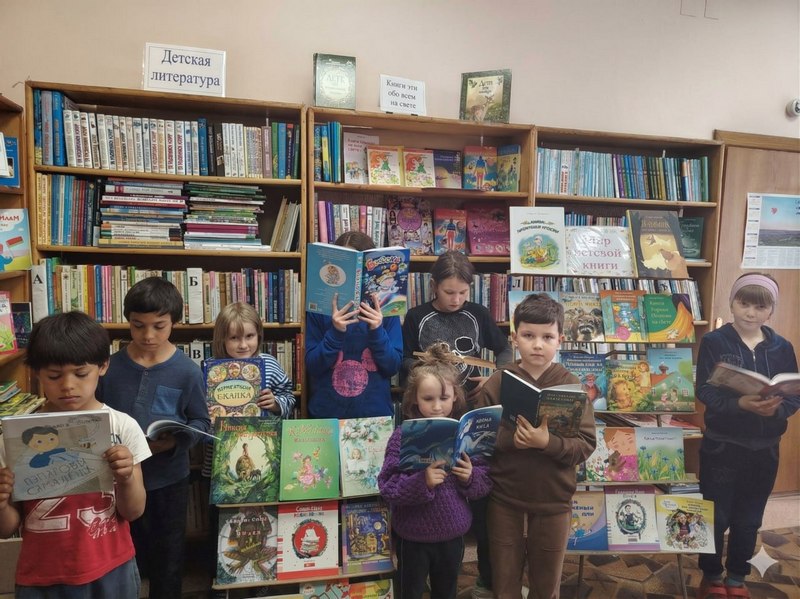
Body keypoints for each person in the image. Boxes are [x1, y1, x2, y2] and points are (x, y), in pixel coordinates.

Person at [0, 311, 150, 597]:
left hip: (111, 567)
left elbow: (134, 511)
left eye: (81, 374)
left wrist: (127, 478)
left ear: (103, 365)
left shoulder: (122, 426)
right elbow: (6, 529)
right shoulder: (15, 437)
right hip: (41, 574)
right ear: (36, 372)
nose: (68, 385)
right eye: (54, 376)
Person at [401, 249, 512, 596]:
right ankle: (421, 567)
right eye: (449, 292)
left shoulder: (477, 313)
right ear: (434, 286)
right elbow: (403, 361)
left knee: (476, 493)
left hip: (470, 414)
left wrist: (496, 374)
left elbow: (505, 350)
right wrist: (426, 373)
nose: (456, 299)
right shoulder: (416, 317)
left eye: (463, 292)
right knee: (428, 485)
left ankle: (485, 577)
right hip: (428, 414)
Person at [474, 293, 596, 599]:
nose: (537, 345)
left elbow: (585, 444)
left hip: (554, 501)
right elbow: (478, 436)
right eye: (528, 336)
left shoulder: (572, 385)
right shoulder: (499, 381)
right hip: (505, 498)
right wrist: (511, 440)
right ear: (514, 338)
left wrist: (547, 443)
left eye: (547, 337)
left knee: (546, 584)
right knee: (504, 581)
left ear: (560, 340)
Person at [96, 277, 211, 599]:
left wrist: (173, 442)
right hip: (118, 479)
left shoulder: (187, 371)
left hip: (168, 480)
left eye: (159, 327)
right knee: (122, 555)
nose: (148, 336)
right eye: (138, 326)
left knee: (169, 557)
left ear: (174, 322)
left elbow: (201, 421)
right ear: (128, 321)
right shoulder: (110, 367)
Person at [695, 273, 799, 599]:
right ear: (732, 303)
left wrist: (776, 411)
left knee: (749, 518)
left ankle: (737, 577)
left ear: (771, 310)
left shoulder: (783, 347)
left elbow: (793, 395)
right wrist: (739, 404)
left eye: (760, 307)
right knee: (715, 515)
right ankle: (712, 574)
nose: (751, 313)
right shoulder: (715, 341)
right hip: (722, 445)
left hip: (765, 449)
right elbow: (705, 391)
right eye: (744, 303)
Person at [378, 343, 492, 599]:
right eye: (428, 399)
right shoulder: (401, 437)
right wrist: (423, 482)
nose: (437, 406)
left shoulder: (466, 435)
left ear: (455, 397)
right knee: (409, 592)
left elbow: (484, 482)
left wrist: (470, 477)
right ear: (414, 399)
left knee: (446, 591)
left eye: (444, 398)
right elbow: (387, 486)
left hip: (453, 533)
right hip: (412, 536)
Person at [306, 231, 402, 419]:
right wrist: (335, 332)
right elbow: (313, 367)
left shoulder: (385, 309)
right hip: (327, 416)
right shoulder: (319, 308)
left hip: (374, 416)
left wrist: (377, 331)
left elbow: (393, 366)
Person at [212, 301, 296, 418]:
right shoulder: (212, 369)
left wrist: (275, 404)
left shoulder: (269, 363)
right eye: (234, 338)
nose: (243, 345)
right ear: (222, 339)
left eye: (249, 336)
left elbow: (289, 398)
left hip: (264, 428)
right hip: (223, 428)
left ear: (258, 335)